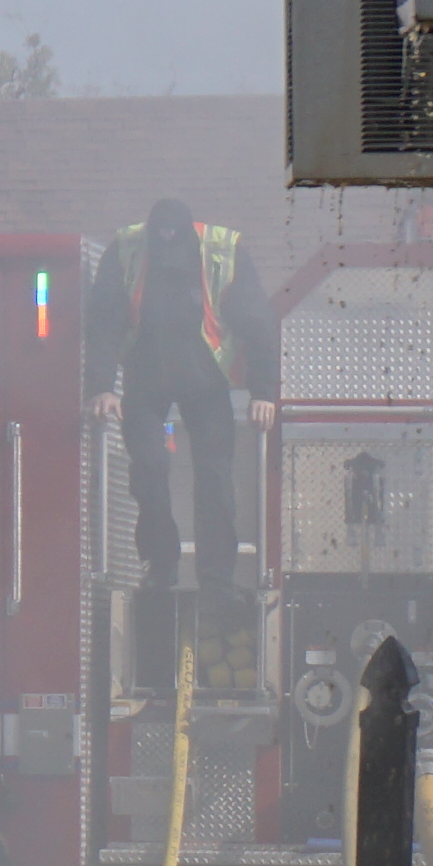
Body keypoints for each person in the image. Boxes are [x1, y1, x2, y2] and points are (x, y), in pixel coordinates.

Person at [87, 197, 280, 686]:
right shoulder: (127, 248)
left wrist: (263, 392)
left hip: (204, 376)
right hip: (145, 377)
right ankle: (161, 564)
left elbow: (259, 323)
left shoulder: (223, 250)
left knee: (215, 477)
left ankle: (217, 578)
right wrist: (102, 386)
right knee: (148, 469)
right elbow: (105, 318)